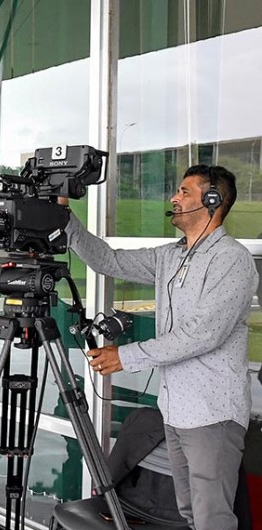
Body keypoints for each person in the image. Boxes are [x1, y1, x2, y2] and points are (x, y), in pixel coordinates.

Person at [64, 165, 258, 530]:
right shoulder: (170, 256)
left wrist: (126, 356)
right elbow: (109, 260)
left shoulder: (231, 260)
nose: (174, 198)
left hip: (212, 415)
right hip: (175, 410)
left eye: (185, 191)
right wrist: (64, 217)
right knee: (188, 513)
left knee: (212, 518)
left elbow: (203, 334)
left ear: (212, 201)